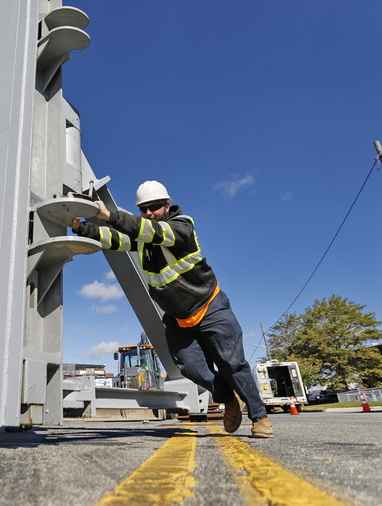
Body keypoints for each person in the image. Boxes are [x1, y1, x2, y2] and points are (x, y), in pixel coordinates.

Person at [70, 180, 273, 438]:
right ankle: (229, 398)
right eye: (144, 209)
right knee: (191, 368)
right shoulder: (144, 237)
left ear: (168, 205)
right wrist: (81, 227)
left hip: (210, 307)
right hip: (178, 317)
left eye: (154, 207)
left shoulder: (182, 227)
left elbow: (152, 232)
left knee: (233, 364)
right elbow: (116, 239)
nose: (149, 213)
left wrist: (109, 215)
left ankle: (260, 418)